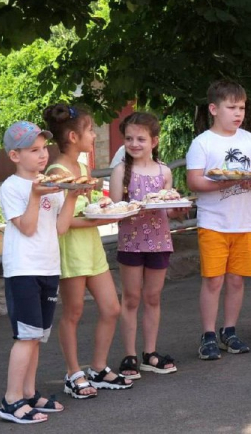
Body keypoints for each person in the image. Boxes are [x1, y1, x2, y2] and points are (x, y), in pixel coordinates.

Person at [42, 104, 132, 398]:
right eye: (90, 130)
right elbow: (61, 223)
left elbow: (89, 208)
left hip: (92, 248)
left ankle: (98, 367)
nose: (94, 135)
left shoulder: (82, 167)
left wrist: (105, 210)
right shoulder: (56, 172)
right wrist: (96, 218)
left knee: (112, 308)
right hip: (70, 251)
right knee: (73, 312)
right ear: (71, 136)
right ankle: (73, 373)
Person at [0, 121, 80, 423]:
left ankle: (29, 394)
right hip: (23, 270)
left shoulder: (49, 184)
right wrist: (36, 195)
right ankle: (11, 399)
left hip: (48, 267)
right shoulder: (12, 187)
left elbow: (59, 228)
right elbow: (28, 227)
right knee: (25, 337)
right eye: (34, 150)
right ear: (15, 155)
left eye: (44, 148)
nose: (42, 155)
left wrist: (71, 195)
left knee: (37, 337)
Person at [186, 80, 251, 360]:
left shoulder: (248, 139)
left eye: (242, 108)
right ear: (213, 109)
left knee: (236, 280)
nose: (238, 113)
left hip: (244, 223)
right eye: (231, 107)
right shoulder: (202, 143)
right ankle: (208, 334)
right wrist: (222, 184)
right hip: (213, 223)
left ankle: (229, 330)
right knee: (213, 280)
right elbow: (194, 181)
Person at [110, 112, 186, 378]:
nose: (134, 143)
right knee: (130, 299)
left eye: (140, 138)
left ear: (154, 141)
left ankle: (149, 353)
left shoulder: (164, 171)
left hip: (159, 242)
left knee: (152, 298)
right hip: (130, 243)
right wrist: (132, 208)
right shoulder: (120, 171)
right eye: (129, 138)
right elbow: (116, 210)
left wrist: (177, 208)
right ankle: (129, 355)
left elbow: (170, 211)